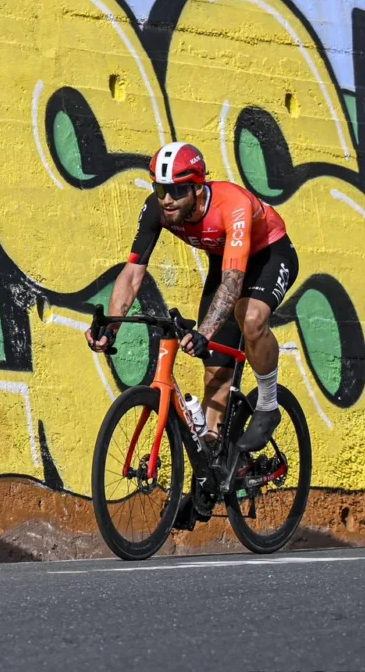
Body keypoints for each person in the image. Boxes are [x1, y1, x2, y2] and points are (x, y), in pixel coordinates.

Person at [86, 142, 297, 454]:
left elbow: (233, 281)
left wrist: (204, 332)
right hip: (224, 261)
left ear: (198, 189)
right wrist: (112, 327)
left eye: (177, 190)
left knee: (249, 317)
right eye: (160, 189)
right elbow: (132, 273)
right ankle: (209, 479)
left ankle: (267, 405)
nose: (167, 200)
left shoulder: (232, 204)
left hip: (268, 255)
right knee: (214, 369)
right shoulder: (157, 209)